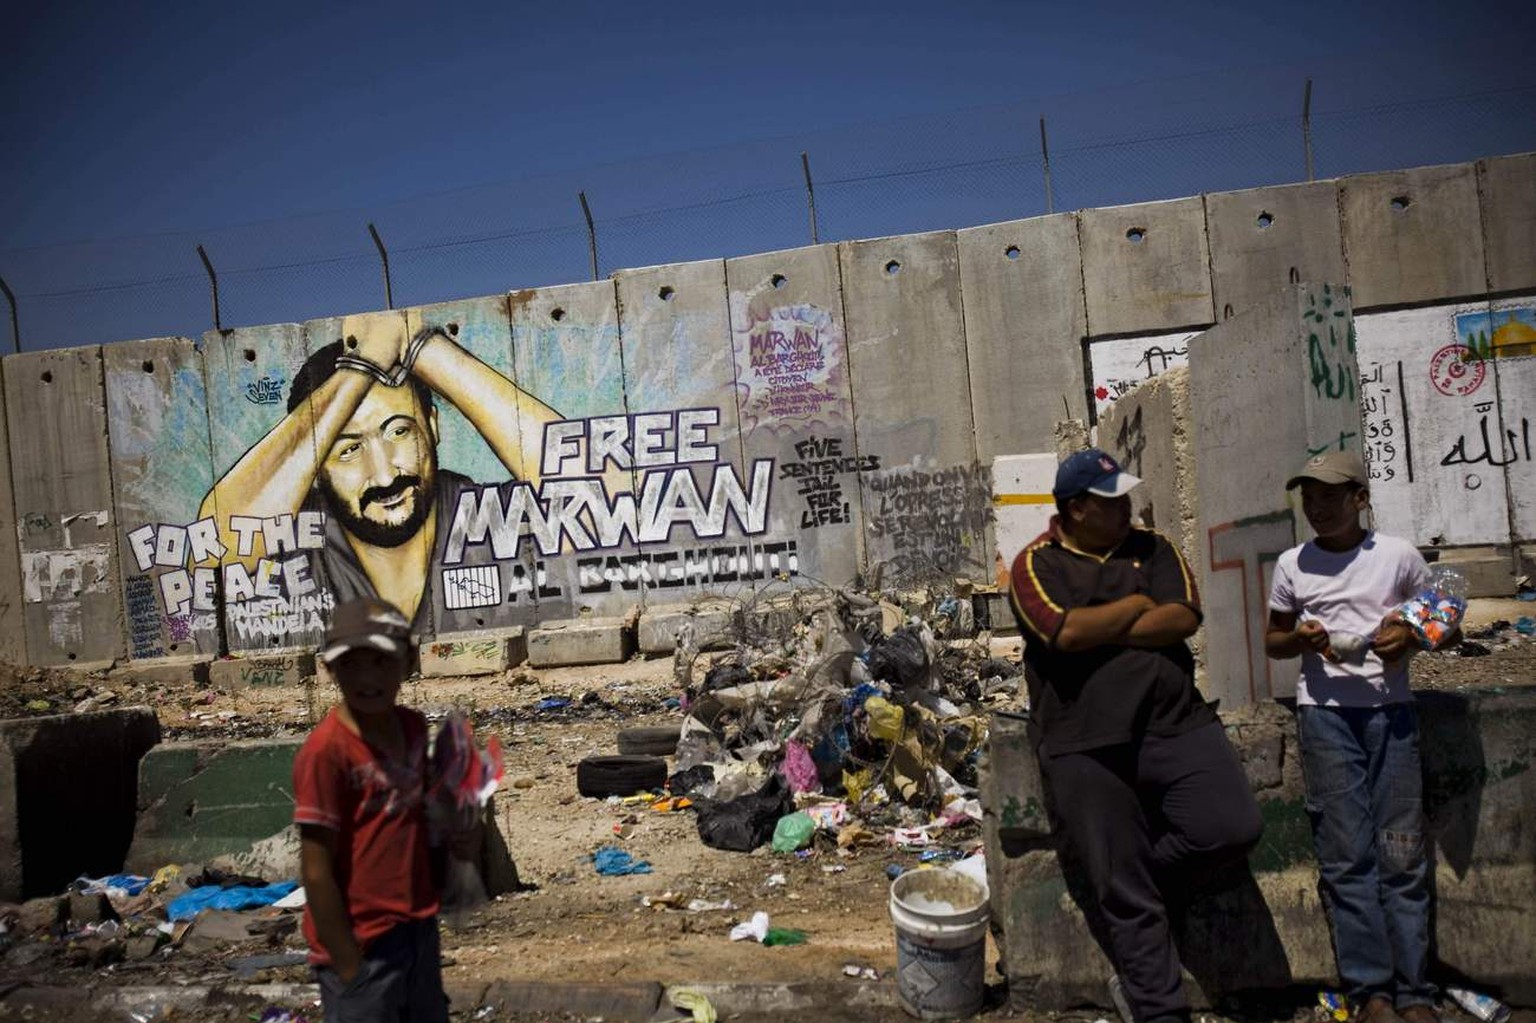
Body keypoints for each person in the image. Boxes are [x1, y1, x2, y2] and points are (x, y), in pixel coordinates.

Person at [1008, 447, 1262, 1023]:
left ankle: (1139, 884)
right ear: (1076, 510)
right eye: (1111, 500)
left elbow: (1183, 617)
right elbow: (1063, 632)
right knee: (1126, 892)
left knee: (1230, 826)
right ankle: (1158, 1010)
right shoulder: (1035, 565)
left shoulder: (1156, 547)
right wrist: (1134, 606)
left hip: (1175, 724)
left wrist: (1104, 624)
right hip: (1083, 743)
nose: (1125, 508)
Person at [200, 312, 563, 628]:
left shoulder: (489, 519)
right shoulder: (296, 541)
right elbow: (211, 548)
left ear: (432, 426)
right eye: (348, 450)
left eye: (400, 431)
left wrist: (422, 347)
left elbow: (594, 488)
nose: (385, 475)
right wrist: (362, 366)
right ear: (312, 464)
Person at [1264, 451, 1442, 1023]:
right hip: (1326, 718)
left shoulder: (1396, 556)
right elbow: (1274, 638)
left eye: (1330, 496)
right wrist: (1302, 638)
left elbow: (1443, 612)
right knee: (1347, 857)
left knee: (1402, 854)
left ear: (1360, 500)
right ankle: (1373, 993)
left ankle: (1415, 991)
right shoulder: (1293, 564)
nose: (1317, 507)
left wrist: (1410, 637)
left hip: (1392, 715)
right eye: (1308, 497)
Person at [293, 596, 448, 1022]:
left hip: (416, 930)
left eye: (381, 662)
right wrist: (349, 967)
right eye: (352, 665)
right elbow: (315, 868)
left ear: (408, 660)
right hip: (362, 944)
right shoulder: (327, 753)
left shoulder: (413, 728)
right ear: (330, 668)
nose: (367, 678)